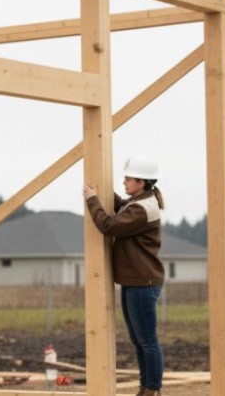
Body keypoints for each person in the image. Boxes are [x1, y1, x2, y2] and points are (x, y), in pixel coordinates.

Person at [83, 156, 166, 396]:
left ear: (141, 182)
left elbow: (109, 226)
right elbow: (122, 207)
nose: (124, 182)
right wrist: (102, 190)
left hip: (142, 281)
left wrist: (92, 200)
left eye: (128, 179)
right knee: (140, 340)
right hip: (135, 280)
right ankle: (146, 387)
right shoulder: (139, 202)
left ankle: (153, 389)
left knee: (147, 341)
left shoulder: (142, 209)